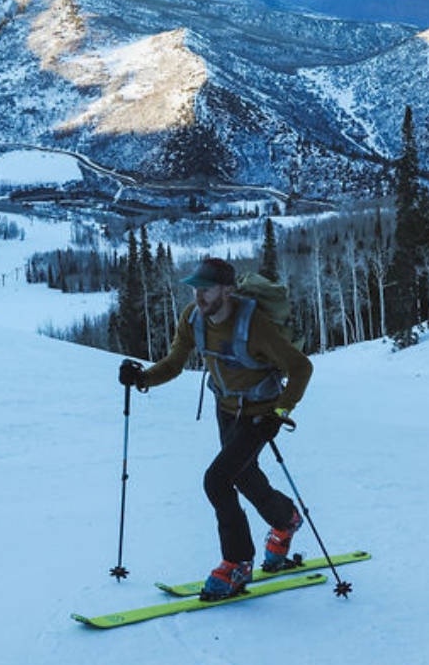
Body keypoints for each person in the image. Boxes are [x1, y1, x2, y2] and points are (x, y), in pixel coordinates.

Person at [119, 256, 313, 599]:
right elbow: (175, 363)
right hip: (225, 410)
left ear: (227, 289)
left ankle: (237, 563)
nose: (199, 296)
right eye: (195, 289)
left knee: (217, 480)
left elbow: (300, 368)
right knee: (244, 476)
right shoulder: (193, 319)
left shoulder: (254, 325)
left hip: (259, 415)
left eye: (206, 289)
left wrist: (280, 412)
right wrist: (142, 378)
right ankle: (286, 522)